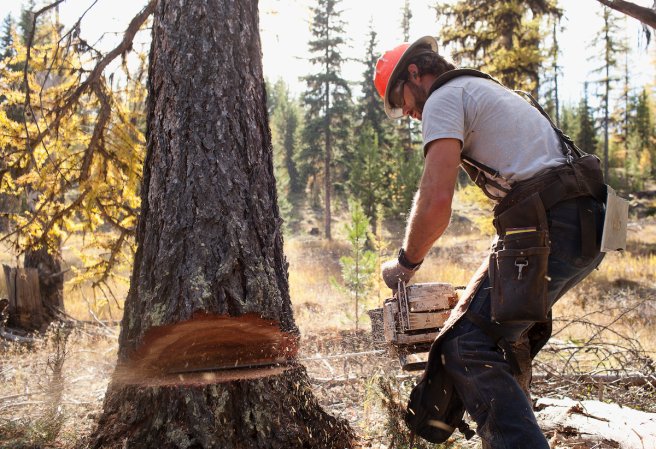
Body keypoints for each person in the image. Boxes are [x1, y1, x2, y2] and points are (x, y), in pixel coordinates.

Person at [375, 36, 608, 448]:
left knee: (466, 343)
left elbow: (435, 201)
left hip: (554, 223)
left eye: (401, 98)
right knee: (500, 337)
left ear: (415, 72)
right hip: (583, 222)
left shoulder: (444, 98)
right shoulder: (482, 88)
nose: (408, 112)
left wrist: (405, 263)